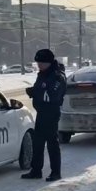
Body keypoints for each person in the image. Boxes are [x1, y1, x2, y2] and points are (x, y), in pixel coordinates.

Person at [22, 49, 67, 182]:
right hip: (41, 112)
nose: (39, 65)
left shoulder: (58, 76)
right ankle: (36, 170)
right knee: (38, 142)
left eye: (41, 62)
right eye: (38, 62)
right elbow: (41, 89)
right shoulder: (43, 74)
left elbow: (52, 95)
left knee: (52, 143)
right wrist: (34, 91)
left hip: (51, 112)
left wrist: (36, 92)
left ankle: (55, 172)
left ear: (48, 62)